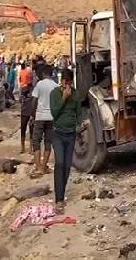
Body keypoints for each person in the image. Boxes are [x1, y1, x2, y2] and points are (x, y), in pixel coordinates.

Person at [50, 69, 83, 214]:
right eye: (65, 82)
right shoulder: (55, 94)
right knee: (59, 163)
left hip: (71, 134)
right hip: (58, 133)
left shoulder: (75, 94)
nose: (67, 85)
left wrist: (82, 122)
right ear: (61, 81)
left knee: (68, 166)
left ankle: (61, 195)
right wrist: (63, 98)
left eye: (69, 82)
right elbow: (54, 112)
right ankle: (58, 199)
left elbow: (78, 111)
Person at [31, 65, 57, 176]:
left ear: (43, 74)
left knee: (36, 141)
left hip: (40, 116)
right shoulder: (56, 86)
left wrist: (32, 115)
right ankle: (44, 165)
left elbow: (34, 101)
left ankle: (38, 166)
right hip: (51, 117)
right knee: (48, 142)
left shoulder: (39, 84)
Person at [20, 88, 33, 154]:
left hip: (28, 114)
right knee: (23, 130)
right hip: (24, 114)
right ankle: (23, 148)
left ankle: (30, 148)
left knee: (31, 131)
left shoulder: (32, 97)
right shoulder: (24, 98)